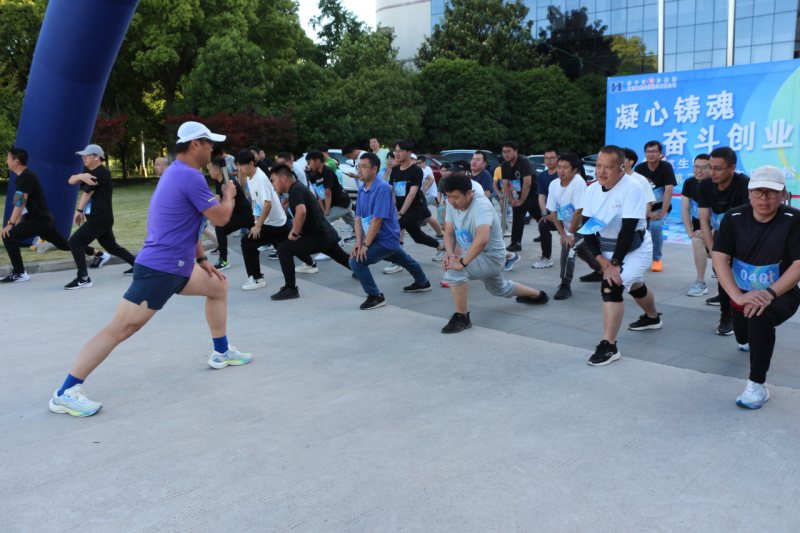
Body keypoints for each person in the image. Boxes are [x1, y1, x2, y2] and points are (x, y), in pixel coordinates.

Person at [47, 121, 252, 417]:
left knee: (218, 286)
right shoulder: (189, 177)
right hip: (161, 268)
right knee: (120, 329)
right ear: (196, 144)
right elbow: (221, 218)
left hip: (179, 266)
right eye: (209, 143)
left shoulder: (178, 173)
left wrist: (201, 259)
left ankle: (221, 352)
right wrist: (229, 193)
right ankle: (65, 392)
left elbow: (186, 223)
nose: (212, 149)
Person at [712, 166, 800, 409]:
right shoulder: (733, 218)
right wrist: (737, 295)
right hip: (741, 292)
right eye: (758, 192)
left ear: (783, 194)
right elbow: (719, 257)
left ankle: (757, 385)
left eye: (771, 193)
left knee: (760, 316)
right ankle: (748, 336)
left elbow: (798, 265)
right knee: (743, 336)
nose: (764, 198)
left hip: (780, 292)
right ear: (749, 193)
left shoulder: (794, 220)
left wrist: (769, 294)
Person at [579, 145, 663, 366]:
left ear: (621, 168)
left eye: (608, 167)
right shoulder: (592, 190)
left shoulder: (632, 187)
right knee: (634, 285)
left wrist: (614, 264)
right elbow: (587, 228)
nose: (601, 171)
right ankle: (653, 317)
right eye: (599, 166)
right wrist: (601, 260)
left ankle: (609, 345)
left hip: (635, 248)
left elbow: (628, 230)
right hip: (608, 248)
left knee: (612, 285)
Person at [439, 172, 549, 334]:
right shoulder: (451, 204)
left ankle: (462, 317)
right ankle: (538, 295)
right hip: (475, 255)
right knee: (499, 289)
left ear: (469, 193)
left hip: (492, 258)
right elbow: (449, 232)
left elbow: (482, 239)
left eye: (455, 197)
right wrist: (450, 254)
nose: (451, 201)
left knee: (454, 271)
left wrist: (461, 263)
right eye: (448, 196)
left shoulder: (481, 205)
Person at [349, 152, 432, 309]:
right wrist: (358, 242)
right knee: (404, 260)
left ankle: (375, 296)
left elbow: (377, 220)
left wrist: (365, 245)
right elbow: (358, 217)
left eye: (364, 166)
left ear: (374, 169)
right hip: (376, 238)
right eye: (358, 166)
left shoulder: (383, 188)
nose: (359, 170)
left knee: (356, 262)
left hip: (386, 238)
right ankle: (423, 283)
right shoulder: (362, 189)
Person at [268, 163, 351, 300]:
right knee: (342, 257)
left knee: (284, 249)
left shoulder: (295, 190)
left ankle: (291, 289)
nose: (273, 184)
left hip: (318, 236)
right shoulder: (297, 188)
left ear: (283, 178)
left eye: (273, 180)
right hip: (324, 234)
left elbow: (301, 211)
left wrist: (294, 233)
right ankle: (360, 270)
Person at [64, 144, 136, 289]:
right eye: (83, 156)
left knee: (75, 242)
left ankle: (83, 278)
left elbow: (87, 193)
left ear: (96, 157)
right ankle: (139, 267)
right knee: (112, 247)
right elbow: (70, 180)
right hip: (99, 217)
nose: (83, 158)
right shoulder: (89, 171)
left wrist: (79, 211)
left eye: (86, 156)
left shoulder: (101, 172)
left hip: (100, 217)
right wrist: (81, 176)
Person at [698, 146, 750, 335]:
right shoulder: (705, 185)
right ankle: (726, 311)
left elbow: (749, 221)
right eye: (710, 167)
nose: (712, 172)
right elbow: (704, 220)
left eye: (718, 169)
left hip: (744, 234)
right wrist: (712, 249)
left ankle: (736, 312)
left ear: (732, 168)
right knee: (721, 270)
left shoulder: (744, 184)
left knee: (738, 274)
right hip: (721, 233)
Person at [1, 147, 72, 283]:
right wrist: (18, 222)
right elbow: (21, 204)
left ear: (16, 161)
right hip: (43, 220)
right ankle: (98, 254)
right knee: (63, 245)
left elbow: (20, 202)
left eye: (8, 158)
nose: (6, 161)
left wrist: (10, 224)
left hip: (40, 220)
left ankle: (19, 273)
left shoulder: (25, 177)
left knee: (8, 236)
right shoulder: (23, 177)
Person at [545, 153, 601, 300]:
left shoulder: (578, 182)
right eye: (559, 167)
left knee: (569, 246)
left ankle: (565, 285)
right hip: (570, 226)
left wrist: (569, 236)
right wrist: (563, 234)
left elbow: (579, 212)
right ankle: (600, 269)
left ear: (574, 170)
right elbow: (553, 211)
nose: (561, 171)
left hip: (588, 226)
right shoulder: (554, 184)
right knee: (581, 249)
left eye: (565, 168)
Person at [204, 152, 255, 272]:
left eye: (210, 170)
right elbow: (220, 198)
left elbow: (231, 203)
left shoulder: (228, 182)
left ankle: (224, 261)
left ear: (217, 170)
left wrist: (222, 218)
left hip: (243, 214)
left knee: (221, 228)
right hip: (239, 214)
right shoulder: (219, 181)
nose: (209, 172)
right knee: (264, 234)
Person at [634, 141, 676, 272]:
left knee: (655, 227)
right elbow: (637, 192)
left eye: (654, 151)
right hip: (644, 207)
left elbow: (668, 190)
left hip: (660, 207)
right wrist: (647, 213)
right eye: (648, 152)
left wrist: (662, 212)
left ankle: (656, 259)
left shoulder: (666, 167)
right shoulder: (639, 168)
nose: (651, 154)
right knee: (638, 229)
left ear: (660, 153)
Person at [681, 154, 712, 296]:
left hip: (717, 230)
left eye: (703, 167)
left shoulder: (716, 185)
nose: (699, 170)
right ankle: (700, 282)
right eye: (696, 167)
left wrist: (708, 233)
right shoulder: (689, 182)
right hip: (699, 229)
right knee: (696, 240)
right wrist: (690, 232)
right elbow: (685, 208)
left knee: (717, 254)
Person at [305, 149, 355, 237]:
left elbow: (328, 193)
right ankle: (366, 238)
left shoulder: (327, 171)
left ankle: (334, 240)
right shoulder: (314, 174)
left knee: (324, 222)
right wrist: (323, 209)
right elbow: (319, 195)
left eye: (310, 162)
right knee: (354, 223)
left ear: (317, 160)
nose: (309, 165)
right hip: (335, 204)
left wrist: (327, 210)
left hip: (342, 203)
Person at [500, 141, 539, 253]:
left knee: (537, 215)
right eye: (504, 152)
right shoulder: (505, 165)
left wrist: (521, 200)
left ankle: (517, 242)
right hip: (520, 192)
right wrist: (512, 199)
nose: (506, 154)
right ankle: (515, 243)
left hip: (534, 191)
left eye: (509, 151)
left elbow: (527, 183)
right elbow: (505, 184)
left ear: (516, 151)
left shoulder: (523, 161)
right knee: (519, 212)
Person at [532, 148, 560, 269]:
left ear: (557, 158)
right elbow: (541, 196)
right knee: (543, 225)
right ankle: (546, 257)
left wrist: (556, 214)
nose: (549, 160)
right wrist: (544, 213)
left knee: (573, 235)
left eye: (552, 158)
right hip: (550, 212)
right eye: (546, 158)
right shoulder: (542, 176)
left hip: (565, 212)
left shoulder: (562, 174)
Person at [416, 154, 444, 239]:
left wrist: (423, 192)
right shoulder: (426, 168)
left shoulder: (425, 170)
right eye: (417, 163)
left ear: (424, 162)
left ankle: (421, 222)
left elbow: (430, 180)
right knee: (438, 209)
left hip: (431, 195)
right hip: (433, 195)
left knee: (418, 205)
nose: (418, 164)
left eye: (419, 162)